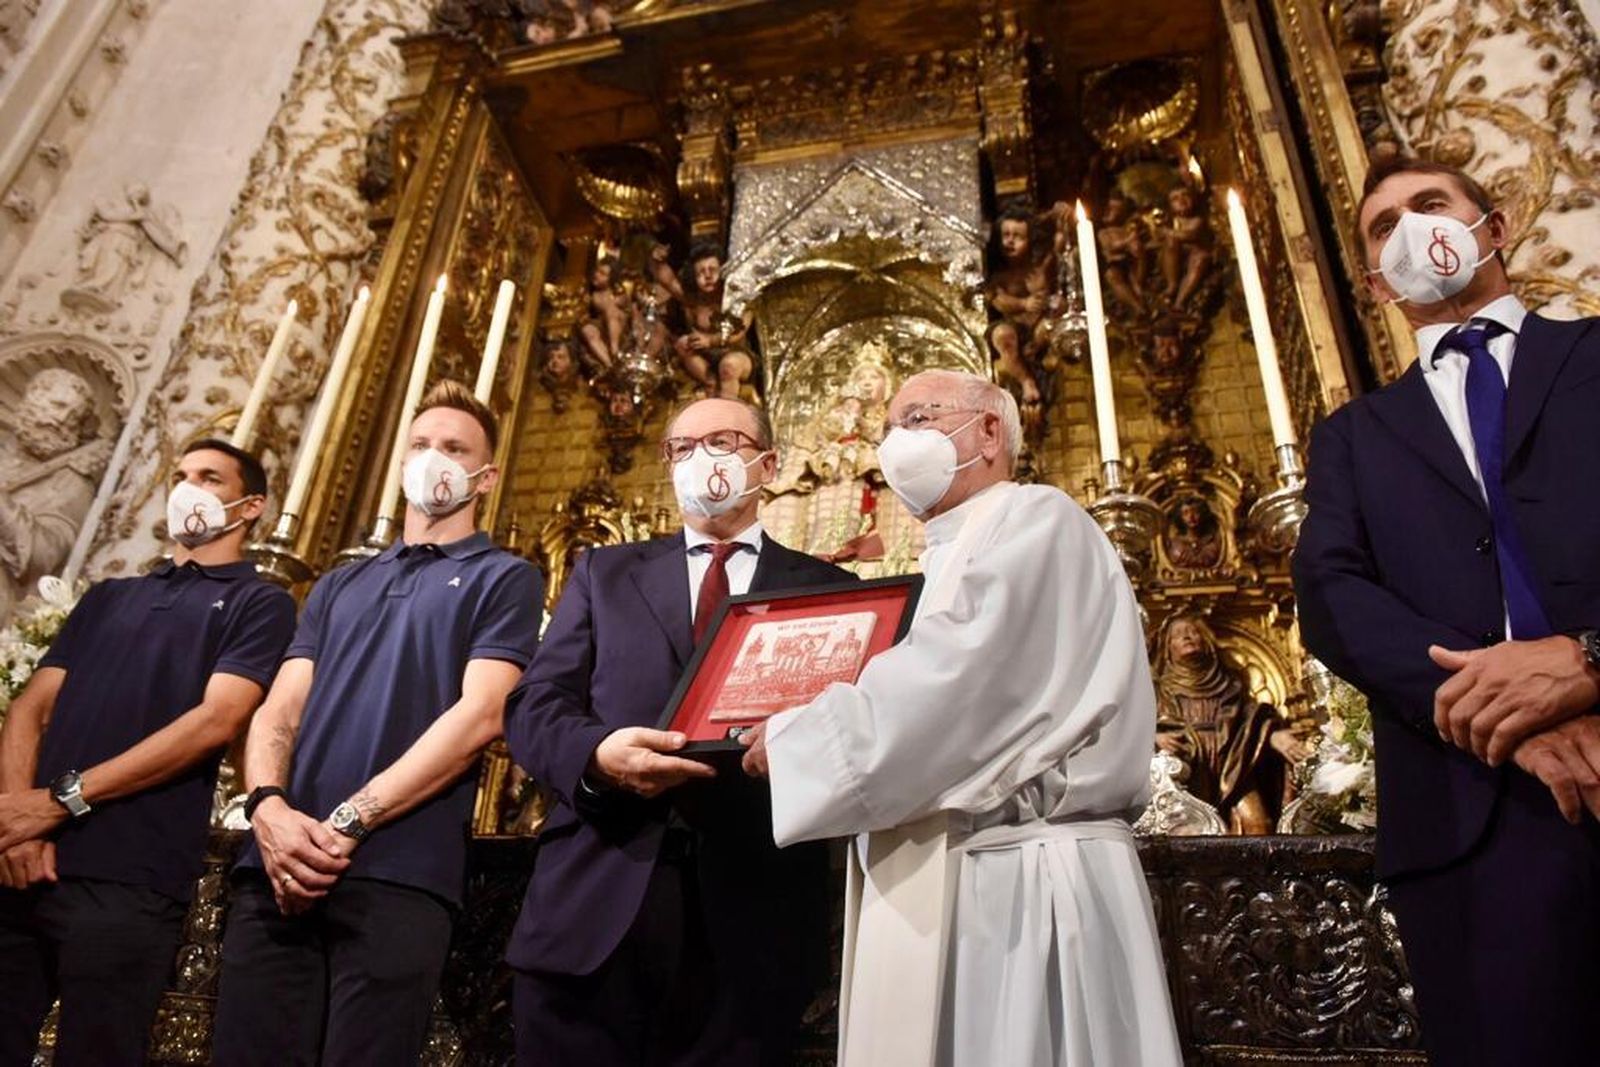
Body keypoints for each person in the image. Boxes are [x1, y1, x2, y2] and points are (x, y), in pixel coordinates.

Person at [740, 369, 1182, 1066]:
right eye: (890, 427)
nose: (895, 443)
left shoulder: (1037, 517)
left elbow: (960, 681)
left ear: (989, 431)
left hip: (1025, 881)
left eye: (919, 417)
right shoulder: (946, 553)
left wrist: (803, 734)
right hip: (959, 868)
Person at [1291, 156, 1600, 1066]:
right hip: (1475, 818)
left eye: (1430, 205)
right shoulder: (1354, 434)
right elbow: (1332, 594)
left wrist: (1588, 659)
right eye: (1383, 226)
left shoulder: (1593, 357)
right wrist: (1494, 707)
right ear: (1379, 281)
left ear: (1492, 229)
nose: (1408, 228)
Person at [504, 396, 851, 1065]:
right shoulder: (604, 573)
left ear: (768, 463)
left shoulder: (826, 589)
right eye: (683, 448)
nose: (702, 460)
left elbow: (854, 735)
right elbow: (533, 706)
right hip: (596, 903)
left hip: (756, 916)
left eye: (722, 440)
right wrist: (598, 754)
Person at [210, 380, 542, 1066]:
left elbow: (481, 713)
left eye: (454, 447)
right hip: (278, 866)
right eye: (421, 444)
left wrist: (349, 820)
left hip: (398, 874)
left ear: (487, 475)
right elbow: (280, 707)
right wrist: (268, 808)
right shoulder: (339, 583)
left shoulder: (504, 577)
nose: (434, 458)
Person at [0, 438, 294, 1066]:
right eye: (181, 475)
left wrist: (58, 802)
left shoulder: (259, 603)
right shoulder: (109, 596)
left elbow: (216, 720)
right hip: (26, 865)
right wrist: (17, 827)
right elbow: (31, 707)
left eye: (210, 477)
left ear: (250, 507)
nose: (188, 487)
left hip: (131, 877)